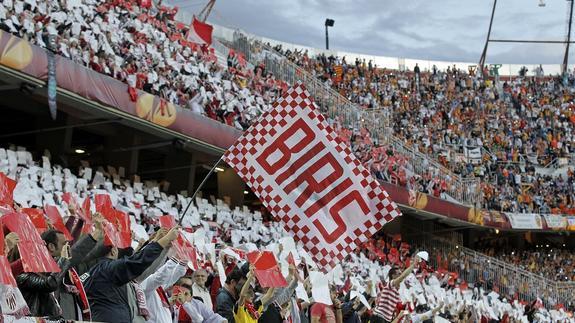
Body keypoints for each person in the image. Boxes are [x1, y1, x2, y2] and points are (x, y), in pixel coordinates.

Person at [83, 226, 179, 323]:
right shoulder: (107, 269)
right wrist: (165, 239)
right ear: (113, 251)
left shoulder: (93, 271)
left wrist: (157, 241)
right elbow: (136, 262)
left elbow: (138, 265)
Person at [16, 229, 71, 318]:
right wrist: (63, 260)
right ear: (51, 246)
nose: (67, 248)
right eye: (63, 244)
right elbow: (49, 284)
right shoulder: (25, 276)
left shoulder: (50, 271)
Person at [372, 256, 420, 323]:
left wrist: (412, 302)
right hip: (379, 317)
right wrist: (413, 265)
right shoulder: (390, 285)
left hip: (386, 320)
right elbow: (403, 276)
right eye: (399, 274)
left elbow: (401, 307)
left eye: (400, 273)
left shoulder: (397, 293)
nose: (400, 275)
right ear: (393, 276)